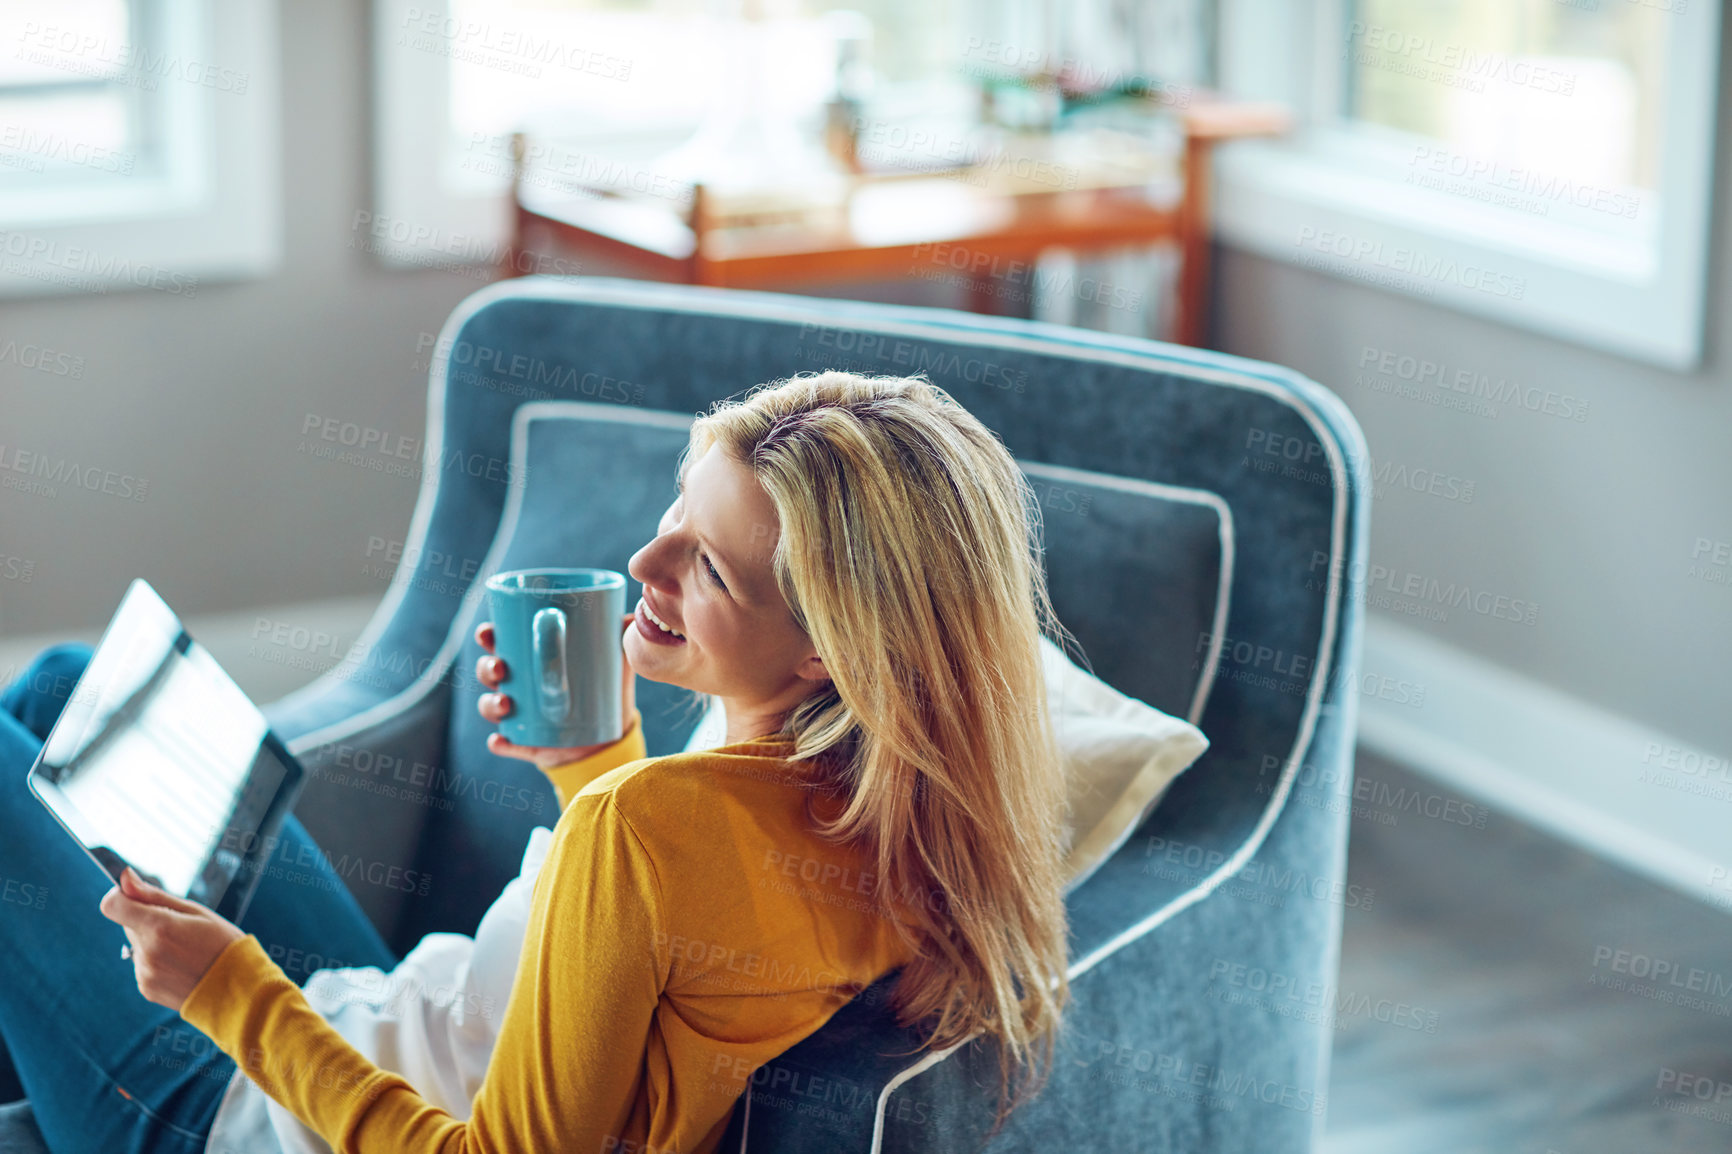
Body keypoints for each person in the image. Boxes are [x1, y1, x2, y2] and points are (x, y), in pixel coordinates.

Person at [0, 371, 1074, 1153]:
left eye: (706, 567)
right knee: (63, 685)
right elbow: (675, 952)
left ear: (830, 647)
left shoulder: (649, 824)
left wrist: (229, 990)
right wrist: (593, 765)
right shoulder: (896, 817)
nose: (643, 562)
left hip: (252, 1119)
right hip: (388, 1026)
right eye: (675, 510)